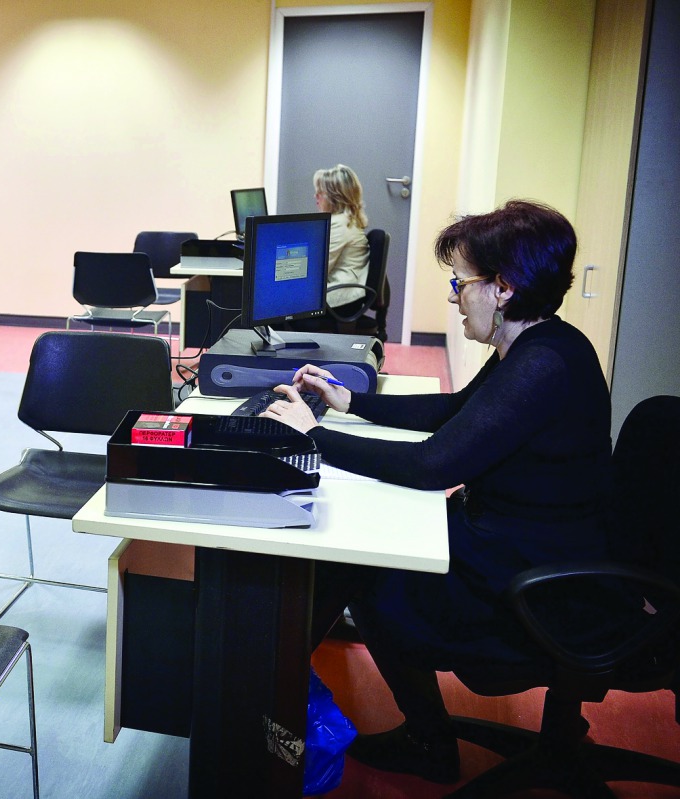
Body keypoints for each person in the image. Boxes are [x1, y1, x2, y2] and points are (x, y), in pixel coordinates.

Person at [260, 199, 613, 784]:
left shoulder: (541, 366)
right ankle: (278, 687)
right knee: (363, 551)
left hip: (537, 579)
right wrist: (355, 403)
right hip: (526, 540)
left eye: (460, 281)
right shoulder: (539, 343)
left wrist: (315, 435)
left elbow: (434, 463)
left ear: (502, 289)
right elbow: (455, 410)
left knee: (364, 569)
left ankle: (289, 704)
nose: (453, 295)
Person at [315, 164, 370, 316]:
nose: (316, 196)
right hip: (347, 295)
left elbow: (318, 271)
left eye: (320, 192)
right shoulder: (349, 219)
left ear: (334, 197)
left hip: (339, 301)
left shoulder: (339, 224)